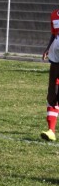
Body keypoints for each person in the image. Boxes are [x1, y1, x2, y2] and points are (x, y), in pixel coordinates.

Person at [40, 8, 59, 142]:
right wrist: (48, 48)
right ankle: (51, 130)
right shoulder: (54, 14)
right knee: (52, 93)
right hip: (56, 55)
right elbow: (54, 34)